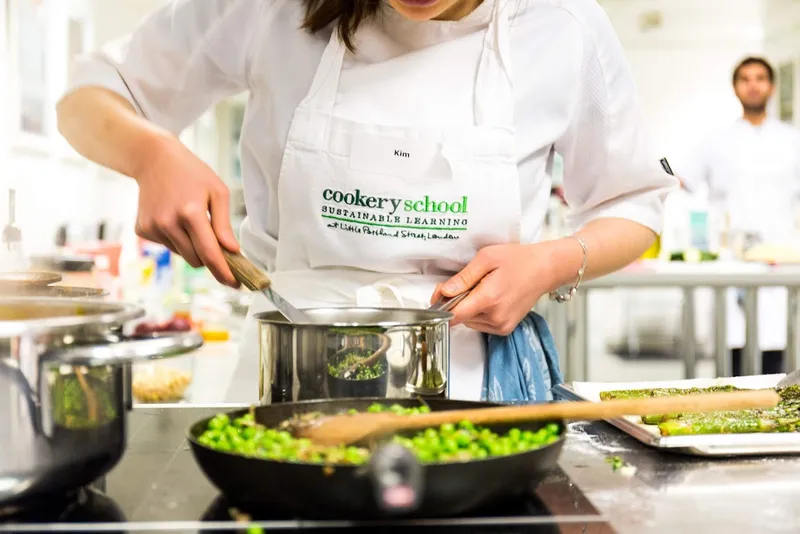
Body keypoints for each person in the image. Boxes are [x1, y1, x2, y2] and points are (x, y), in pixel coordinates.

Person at [56, 0, 676, 402]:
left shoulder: (561, 26)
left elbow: (638, 204)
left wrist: (547, 264)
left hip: (475, 392)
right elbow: (87, 96)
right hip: (287, 388)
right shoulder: (270, 9)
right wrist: (151, 154)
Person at [679, 56, 800, 376]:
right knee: (732, 353)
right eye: (745, 79)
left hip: (779, 263)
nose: (753, 85)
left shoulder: (792, 141)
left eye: (760, 78)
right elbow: (682, 181)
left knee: (777, 351)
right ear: (735, 88)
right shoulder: (716, 141)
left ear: (772, 87)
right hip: (732, 263)